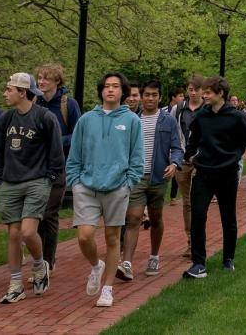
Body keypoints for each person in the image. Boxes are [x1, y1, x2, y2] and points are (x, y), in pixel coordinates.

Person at [65, 72, 144, 308]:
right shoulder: (87, 119)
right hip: (86, 187)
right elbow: (74, 155)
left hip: (117, 188)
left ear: (123, 91)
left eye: (115, 86)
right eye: (107, 86)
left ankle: (107, 289)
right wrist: (75, 182)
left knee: (112, 239)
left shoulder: (131, 121)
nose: (110, 90)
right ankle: (96, 266)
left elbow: (137, 158)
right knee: (85, 235)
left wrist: (128, 183)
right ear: (101, 90)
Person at [181, 76, 246, 279]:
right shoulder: (202, 116)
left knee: (228, 218)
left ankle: (228, 258)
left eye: (208, 92)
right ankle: (198, 264)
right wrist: (189, 155)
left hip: (227, 174)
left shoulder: (236, 117)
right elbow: (194, 138)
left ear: (220, 94)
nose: (204, 95)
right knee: (198, 216)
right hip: (203, 173)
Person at [0, 73, 62, 304]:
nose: (5, 93)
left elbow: (56, 153)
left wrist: (48, 178)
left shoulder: (45, 117)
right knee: (13, 234)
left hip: (37, 181)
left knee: (28, 232)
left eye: (9, 89)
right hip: (10, 182)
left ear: (22, 92)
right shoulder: (5, 119)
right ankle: (15, 283)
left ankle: (40, 265)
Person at [117, 79, 182, 281]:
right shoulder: (130, 118)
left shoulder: (167, 121)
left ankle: (154, 256)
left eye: (154, 95)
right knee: (133, 218)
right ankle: (126, 263)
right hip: (135, 176)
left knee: (155, 219)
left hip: (158, 177)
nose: (150, 98)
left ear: (159, 97)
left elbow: (177, 148)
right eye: (147, 95)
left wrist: (174, 164)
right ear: (141, 96)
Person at [34, 63, 80, 276]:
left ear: (57, 82)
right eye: (39, 78)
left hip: (58, 166)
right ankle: (39, 256)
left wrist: (56, 140)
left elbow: (78, 134)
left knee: (49, 213)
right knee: (35, 215)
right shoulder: (34, 102)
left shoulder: (67, 104)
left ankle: (48, 261)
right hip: (34, 167)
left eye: (46, 79)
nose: (41, 82)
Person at [172, 74, 205, 257]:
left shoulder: (207, 109)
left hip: (202, 161)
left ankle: (199, 240)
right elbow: (173, 133)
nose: (193, 93)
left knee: (199, 201)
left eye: (196, 89)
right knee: (187, 202)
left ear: (202, 91)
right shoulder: (178, 109)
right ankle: (190, 241)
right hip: (183, 160)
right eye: (190, 89)